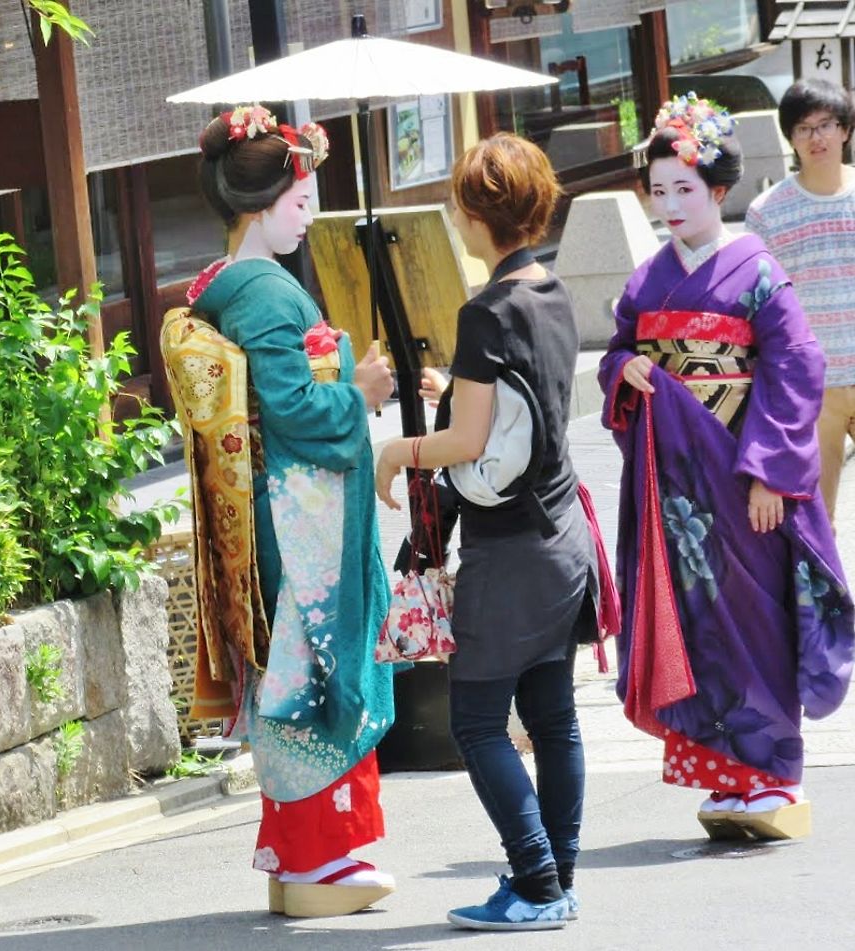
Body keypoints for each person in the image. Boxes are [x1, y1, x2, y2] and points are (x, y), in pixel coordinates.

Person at [160, 104, 397, 918]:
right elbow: (293, 411)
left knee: (291, 674)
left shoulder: (225, 282)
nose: (310, 215)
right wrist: (357, 392)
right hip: (298, 525)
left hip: (277, 512)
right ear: (261, 206)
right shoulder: (263, 292)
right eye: (302, 202)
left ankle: (294, 851)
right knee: (312, 671)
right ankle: (316, 855)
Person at [599, 94, 854, 840]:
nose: (670, 204)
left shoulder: (756, 270)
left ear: (719, 191)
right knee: (702, 622)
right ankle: (729, 776)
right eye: (659, 191)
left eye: (685, 189)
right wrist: (625, 372)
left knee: (757, 620)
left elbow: (797, 365)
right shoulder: (647, 281)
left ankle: (773, 776)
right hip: (682, 486)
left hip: (745, 479)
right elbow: (618, 349)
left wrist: (775, 470)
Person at [376, 133, 606, 931]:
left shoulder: (486, 309)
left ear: (476, 216)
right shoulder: (551, 291)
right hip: (564, 531)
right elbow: (513, 408)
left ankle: (538, 882)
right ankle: (556, 878)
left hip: (510, 551)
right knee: (553, 716)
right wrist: (453, 394)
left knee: (476, 720)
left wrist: (395, 449)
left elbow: (467, 445)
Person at [745, 78, 855, 527]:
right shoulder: (767, 212)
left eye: (826, 124)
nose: (817, 137)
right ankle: (831, 599)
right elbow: (759, 307)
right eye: (804, 128)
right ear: (789, 137)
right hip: (813, 387)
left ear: (846, 130)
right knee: (816, 520)